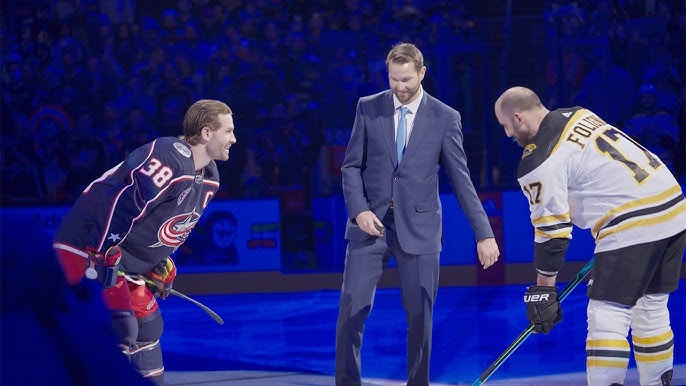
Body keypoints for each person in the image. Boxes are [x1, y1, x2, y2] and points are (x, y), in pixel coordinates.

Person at [494, 86, 685, 386]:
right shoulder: (578, 114)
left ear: (518, 118)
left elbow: (552, 232)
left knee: (607, 317)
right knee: (650, 308)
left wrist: (545, 289)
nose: (508, 135)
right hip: (672, 204)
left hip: (632, 221)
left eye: (506, 126)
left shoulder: (539, 159)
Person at [335, 42, 500, 386]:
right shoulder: (368, 108)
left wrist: (483, 233)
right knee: (351, 311)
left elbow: (461, 180)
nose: (400, 87)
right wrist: (359, 209)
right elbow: (350, 167)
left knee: (420, 317)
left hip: (421, 228)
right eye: (394, 79)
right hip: (371, 226)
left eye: (407, 79)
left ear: (422, 73)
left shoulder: (445, 117)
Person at [52, 99, 237, 385]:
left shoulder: (210, 177)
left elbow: (157, 223)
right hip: (85, 246)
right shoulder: (169, 155)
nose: (234, 139)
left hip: (118, 257)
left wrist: (154, 261)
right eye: (228, 131)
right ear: (206, 133)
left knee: (148, 327)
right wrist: (100, 254)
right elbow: (123, 203)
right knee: (119, 327)